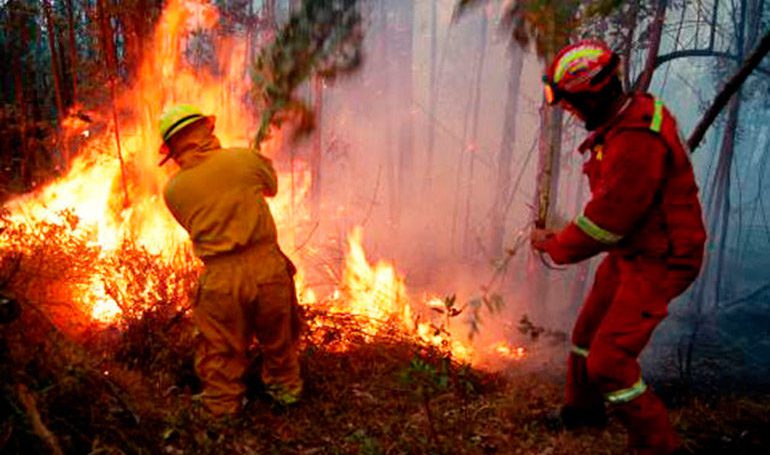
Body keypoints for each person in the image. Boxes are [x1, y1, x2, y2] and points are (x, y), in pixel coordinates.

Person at [530, 41, 706, 455]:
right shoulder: (628, 117)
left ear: (595, 94)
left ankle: (658, 444)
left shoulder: (636, 143)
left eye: (571, 102)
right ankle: (583, 413)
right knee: (586, 333)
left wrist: (553, 244)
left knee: (609, 360)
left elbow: (605, 224)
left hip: (663, 259)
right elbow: (614, 214)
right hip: (635, 248)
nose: (567, 111)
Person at [158, 104, 302, 416]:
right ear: (207, 130)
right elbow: (272, 188)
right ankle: (285, 393)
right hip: (267, 270)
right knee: (279, 340)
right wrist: (250, 165)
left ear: (172, 150)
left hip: (220, 279)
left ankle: (222, 409)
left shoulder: (173, 190)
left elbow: (194, 222)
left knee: (220, 350)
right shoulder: (244, 159)